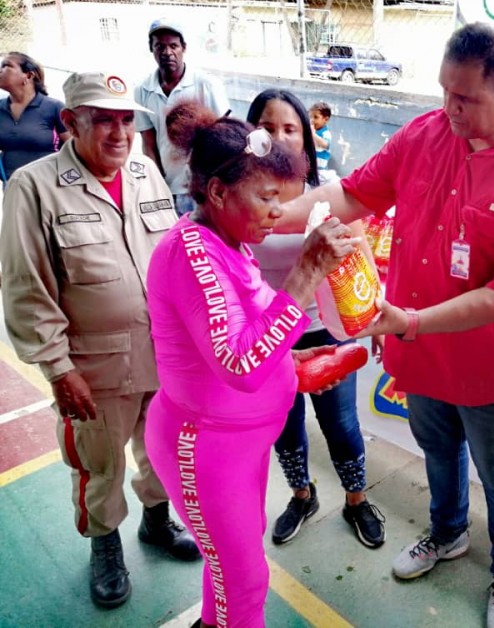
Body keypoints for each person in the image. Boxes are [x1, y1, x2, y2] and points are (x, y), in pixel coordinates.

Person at [278, 22, 494, 628]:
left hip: (491, 366)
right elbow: (353, 196)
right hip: (421, 354)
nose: (449, 108)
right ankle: (447, 533)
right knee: (438, 451)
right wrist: (269, 216)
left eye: (464, 98)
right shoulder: (425, 134)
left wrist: (409, 321)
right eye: (444, 91)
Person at [144, 99, 358, 628]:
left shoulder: (230, 243)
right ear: (217, 192)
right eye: (265, 197)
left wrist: (291, 360)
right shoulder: (192, 253)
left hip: (236, 447)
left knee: (231, 570)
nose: (276, 212)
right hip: (204, 448)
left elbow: (242, 335)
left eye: (279, 199)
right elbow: (239, 364)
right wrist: (305, 272)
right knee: (243, 582)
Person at [0, 71, 199, 609]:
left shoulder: (145, 171)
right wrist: (59, 370)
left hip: (163, 355)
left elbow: (173, 258)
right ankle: (105, 545)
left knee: (162, 451)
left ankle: (156, 521)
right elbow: (25, 289)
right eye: (103, 120)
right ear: (70, 121)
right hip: (94, 366)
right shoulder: (33, 187)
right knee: (100, 463)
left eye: (126, 120)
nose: (119, 133)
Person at [246, 89, 386, 549]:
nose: (279, 138)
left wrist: (376, 316)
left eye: (290, 129)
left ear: (306, 139)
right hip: (270, 338)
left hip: (327, 331)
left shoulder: (327, 193)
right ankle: (302, 497)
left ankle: (356, 500)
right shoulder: (240, 200)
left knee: (340, 424)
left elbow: (360, 252)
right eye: (267, 128)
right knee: (284, 426)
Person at [135, 18, 230, 216]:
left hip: (202, 188)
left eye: (173, 46)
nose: (167, 52)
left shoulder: (206, 84)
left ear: (183, 48)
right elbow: (148, 144)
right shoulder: (143, 90)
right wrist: (157, 184)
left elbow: (225, 135)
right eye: (159, 46)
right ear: (151, 49)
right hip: (166, 188)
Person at [0, 52, 70, 178]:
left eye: (6, 66)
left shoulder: (54, 107)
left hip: (48, 183)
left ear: (28, 75)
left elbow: (75, 150)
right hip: (12, 184)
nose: (1, 70)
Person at [309, 101, 332, 171]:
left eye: (316, 117)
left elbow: (325, 145)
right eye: (311, 117)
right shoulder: (312, 131)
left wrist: (313, 135)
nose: (312, 120)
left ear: (326, 119)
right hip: (310, 168)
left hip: (320, 170)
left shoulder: (326, 133)